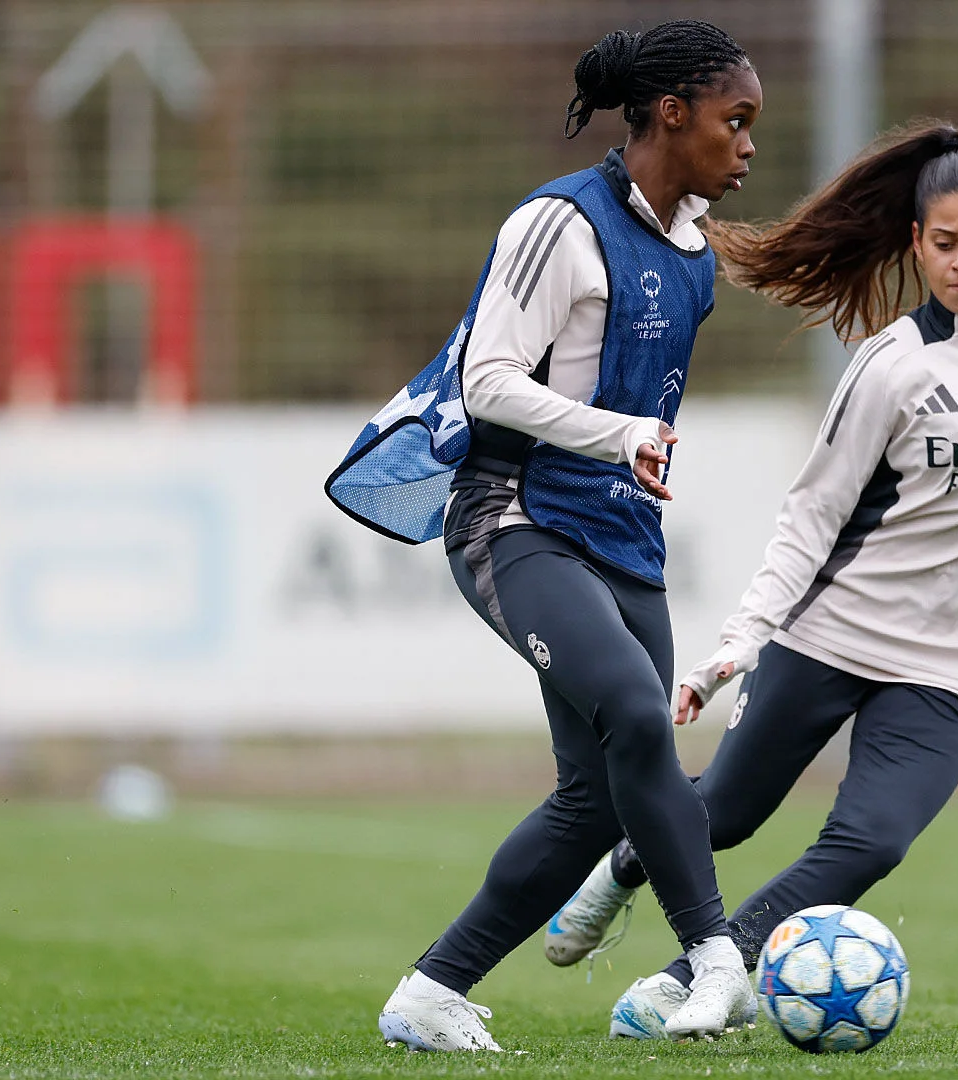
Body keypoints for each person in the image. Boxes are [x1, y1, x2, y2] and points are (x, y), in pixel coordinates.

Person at [536, 122, 958, 1040]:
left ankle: (699, 980)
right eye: (943, 244)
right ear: (916, 244)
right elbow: (811, 516)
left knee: (870, 844)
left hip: (957, 660)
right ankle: (622, 869)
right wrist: (741, 642)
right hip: (831, 633)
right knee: (721, 815)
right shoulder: (891, 363)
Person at [323, 20, 763, 1051]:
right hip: (510, 517)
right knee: (637, 721)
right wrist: (623, 435)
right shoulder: (555, 225)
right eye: (734, 123)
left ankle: (431, 993)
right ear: (670, 114)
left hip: (622, 537)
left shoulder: (693, 246)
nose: (748, 146)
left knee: (598, 800)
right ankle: (717, 959)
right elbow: (488, 381)